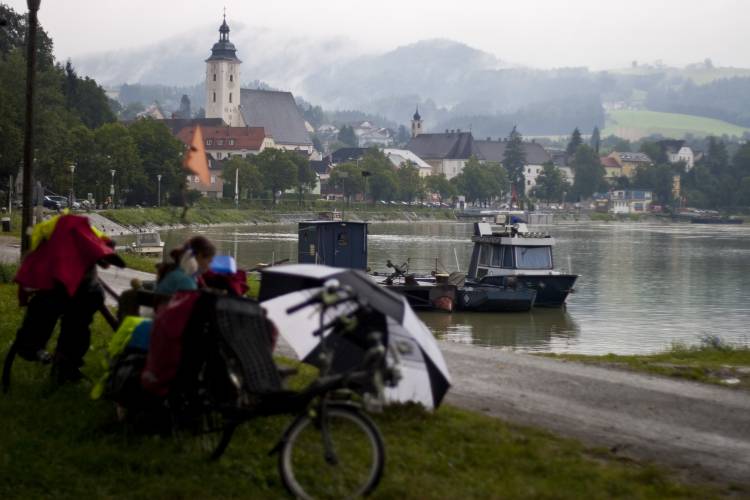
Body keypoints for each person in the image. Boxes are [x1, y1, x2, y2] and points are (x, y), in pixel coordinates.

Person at [12, 214, 124, 384]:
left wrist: (25, 295)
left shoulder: (48, 236)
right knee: (78, 324)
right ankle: (66, 364)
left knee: (41, 319)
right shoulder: (90, 235)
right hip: (80, 291)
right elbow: (105, 261)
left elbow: (30, 266)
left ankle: (35, 349)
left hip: (53, 290)